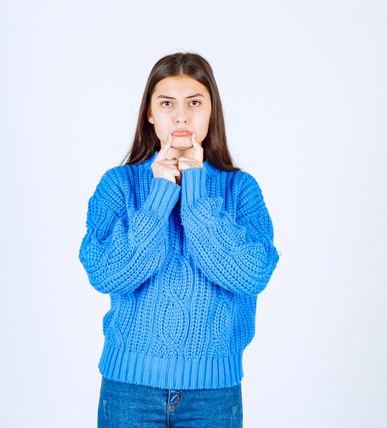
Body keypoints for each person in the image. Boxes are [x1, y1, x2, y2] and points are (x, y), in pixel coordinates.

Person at [79, 52, 279, 427]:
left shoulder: (240, 189)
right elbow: (107, 275)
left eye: (195, 103)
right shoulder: (118, 185)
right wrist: (158, 196)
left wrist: (198, 192)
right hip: (129, 391)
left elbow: (251, 276)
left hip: (213, 395)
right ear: (150, 113)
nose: (181, 116)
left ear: (210, 112)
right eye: (167, 103)